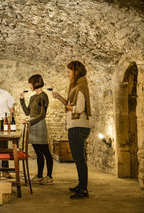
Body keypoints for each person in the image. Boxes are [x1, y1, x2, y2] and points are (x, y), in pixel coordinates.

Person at [52, 61, 91, 199]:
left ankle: (83, 189)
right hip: (75, 126)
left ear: (76, 71)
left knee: (79, 159)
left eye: (69, 72)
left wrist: (69, 107)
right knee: (77, 158)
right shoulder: (76, 87)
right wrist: (60, 98)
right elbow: (70, 104)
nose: (68, 74)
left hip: (78, 126)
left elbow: (79, 108)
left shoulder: (80, 87)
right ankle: (81, 185)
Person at [20, 74, 53, 185]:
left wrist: (29, 122)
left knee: (46, 152)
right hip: (33, 125)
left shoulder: (44, 96)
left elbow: (42, 115)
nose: (29, 85)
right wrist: (22, 100)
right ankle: (39, 175)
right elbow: (28, 112)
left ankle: (49, 176)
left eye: (30, 83)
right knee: (38, 153)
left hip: (39, 124)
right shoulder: (33, 97)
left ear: (35, 83)